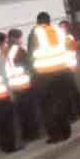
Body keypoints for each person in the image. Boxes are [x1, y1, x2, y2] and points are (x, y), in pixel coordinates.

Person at [28, 12, 72, 143]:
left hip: (44, 75)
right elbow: (69, 46)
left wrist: (32, 73)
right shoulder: (58, 31)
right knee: (61, 102)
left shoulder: (35, 33)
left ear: (38, 22)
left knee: (47, 107)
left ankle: (55, 135)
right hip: (62, 72)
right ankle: (66, 132)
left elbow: (31, 54)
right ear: (49, 21)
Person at [7, 29, 40, 142]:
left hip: (15, 87)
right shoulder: (18, 50)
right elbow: (28, 65)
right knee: (29, 112)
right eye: (19, 37)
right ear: (14, 38)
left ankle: (27, 135)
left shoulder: (6, 51)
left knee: (22, 113)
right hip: (24, 85)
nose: (21, 40)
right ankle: (33, 134)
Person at [59, 20, 80, 122]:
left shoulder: (69, 37)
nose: (62, 29)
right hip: (67, 68)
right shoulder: (61, 39)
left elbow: (74, 47)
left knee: (76, 89)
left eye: (64, 27)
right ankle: (79, 110)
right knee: (72, 91)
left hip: (73, 66)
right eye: (61, 27)